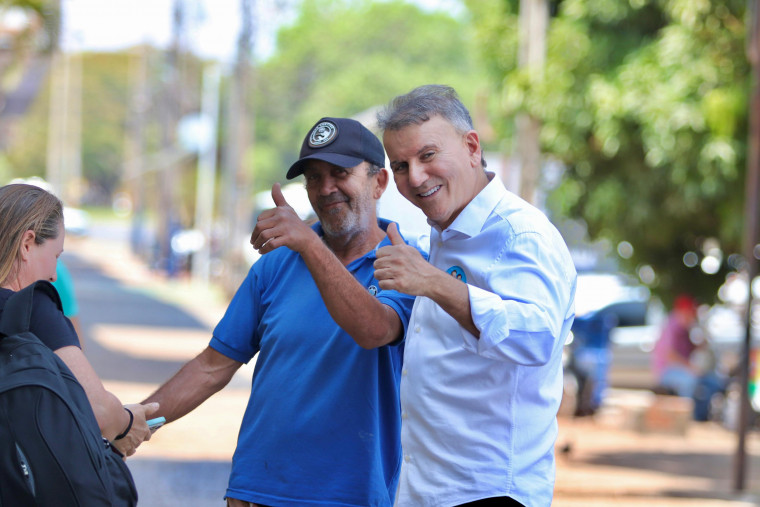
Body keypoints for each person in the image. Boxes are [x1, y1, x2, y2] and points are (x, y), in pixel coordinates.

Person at [143, 117, 420, 506]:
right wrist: (137, 420)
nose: (326, 189)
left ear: (379, 183)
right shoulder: (276, 266)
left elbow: (373, 329)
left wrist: (309, 245)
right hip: (258, 492)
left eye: (340, 173)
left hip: (352, 497)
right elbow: (211, 366)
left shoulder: (407, 265)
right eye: (313, 177)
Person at [369, 84, 577, 507]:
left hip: (489, 492)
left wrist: (432, 282)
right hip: (426, 490)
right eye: (402, 165)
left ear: (471, 147)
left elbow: (536, 336)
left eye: (428, 156)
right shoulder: (443, 233)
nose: (416, 177)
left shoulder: (521, 233)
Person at [0, 183, 158, 457]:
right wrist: (128, 420)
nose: (54, 275)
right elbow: (99, 411)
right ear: (27, 244)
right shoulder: (32, 308)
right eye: (56, 256)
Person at [651, 294, 724, 420]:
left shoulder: (686, 329)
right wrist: (689, 368)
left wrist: (702, 338)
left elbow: (692, 348)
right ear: (682, 311)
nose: (691, 316)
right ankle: (686, 418)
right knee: (689, 381)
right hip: (667, 371)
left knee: (713, 382)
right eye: (689, 312)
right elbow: (670, 355)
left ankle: (701, 417)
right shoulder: (672, 326)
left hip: (682, 369)